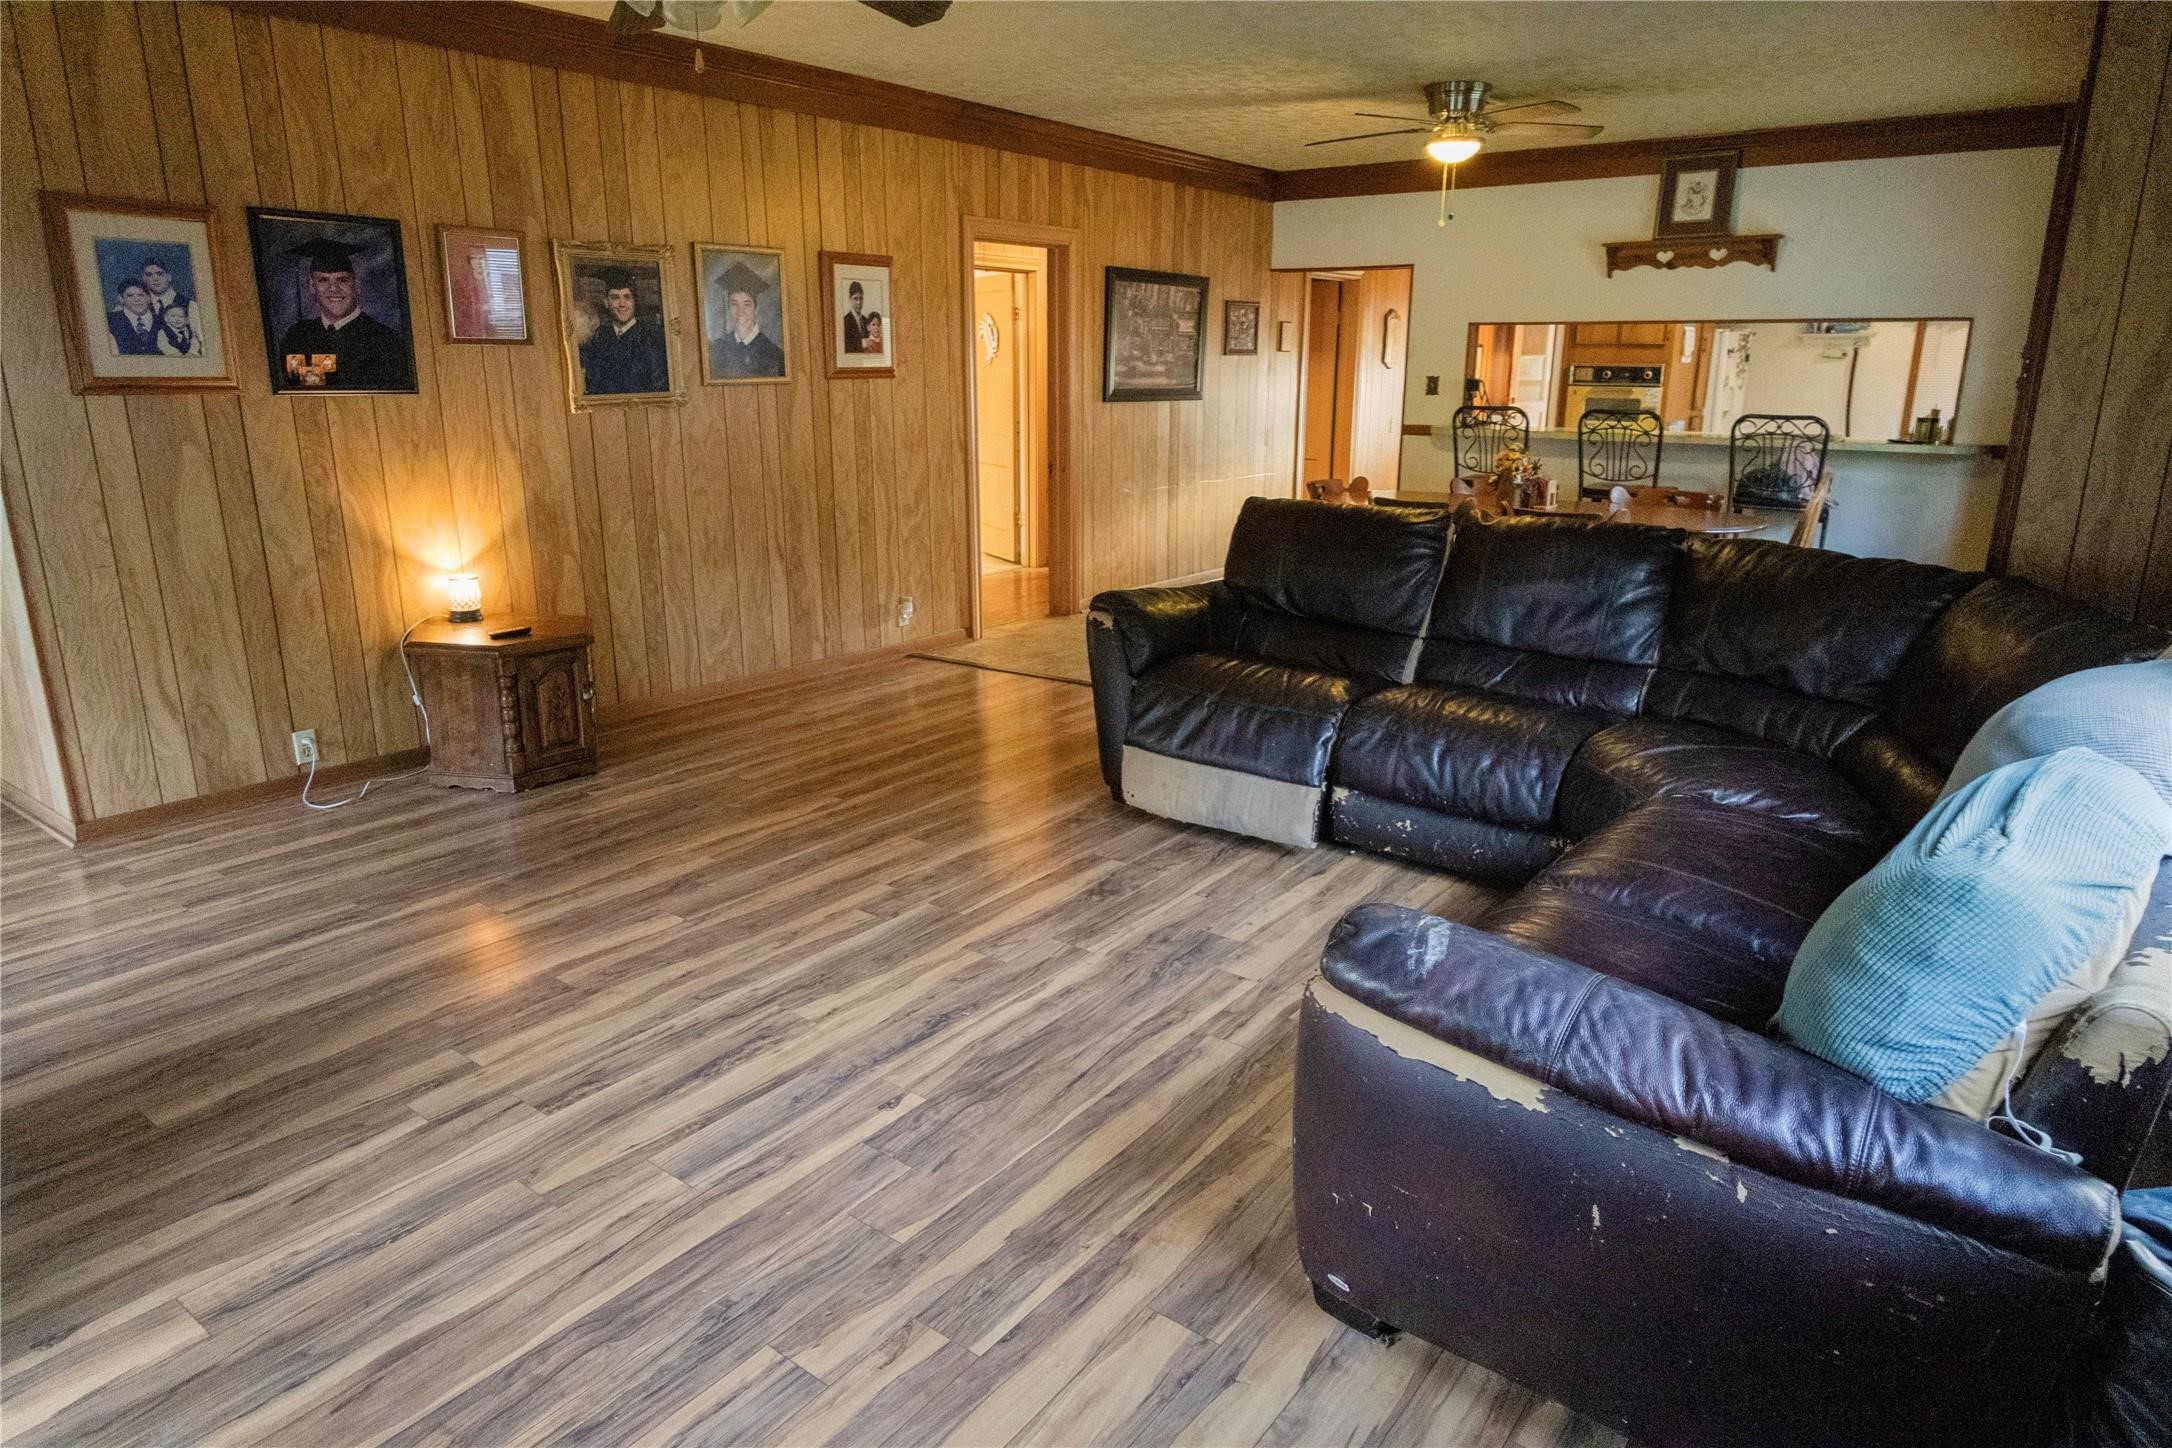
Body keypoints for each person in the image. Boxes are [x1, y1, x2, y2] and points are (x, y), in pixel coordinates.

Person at [275, 237, 410, 389]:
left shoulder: (385, 341)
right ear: (312, 287)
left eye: (342, 280)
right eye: (323, 280)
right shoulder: (298, 335)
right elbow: (293, 385)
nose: (333, 289)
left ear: (356, 285)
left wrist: (319, 374)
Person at [578, 267, 669, 395]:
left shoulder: (652, 337)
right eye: (615, 297)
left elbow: (659, 387)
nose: (622, 304)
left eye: (627, 297)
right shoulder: (598, 338)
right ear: (606, 302)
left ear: (634, 302)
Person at [708, 261, 785, 379]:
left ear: (756, 309)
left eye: (747, 304)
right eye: (734, 304)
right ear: (728, 308)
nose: (740, 311)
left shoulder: (774, 354)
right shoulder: (717, 350)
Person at [106, 281, 160, 355]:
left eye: (141, 295)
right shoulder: (108, 320)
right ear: (121, 299)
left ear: (149, 298)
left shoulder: (163, 320)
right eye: (130, 296)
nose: (136, 299)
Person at [841, 280, 868, 353]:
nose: (859, 302)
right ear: (850, 299)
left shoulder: (867, 321)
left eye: (861, 298)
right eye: (855, 298)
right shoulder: (845, 321)